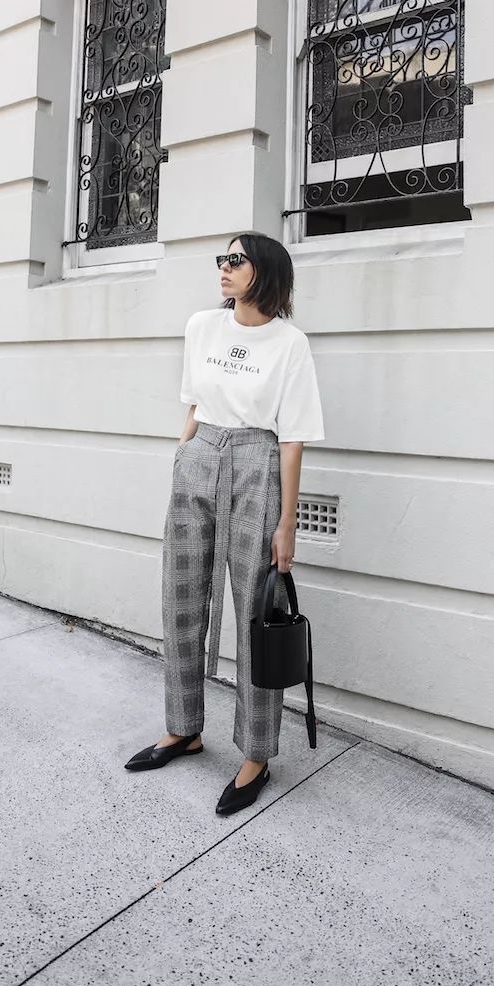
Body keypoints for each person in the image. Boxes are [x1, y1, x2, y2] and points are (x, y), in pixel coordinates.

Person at [124, 231, 325, 815]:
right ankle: (182, 727)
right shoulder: (202, 327)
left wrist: (286, 522)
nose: (225, 267)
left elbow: (292, 439)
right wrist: (182, 455)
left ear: (265, 272)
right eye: (224, 259)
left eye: (237, 260)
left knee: (255, 613)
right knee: (181, 595)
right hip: (200, 456)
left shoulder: (290, 344)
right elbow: (193, 404)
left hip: (258, 464)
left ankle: (256, 754)